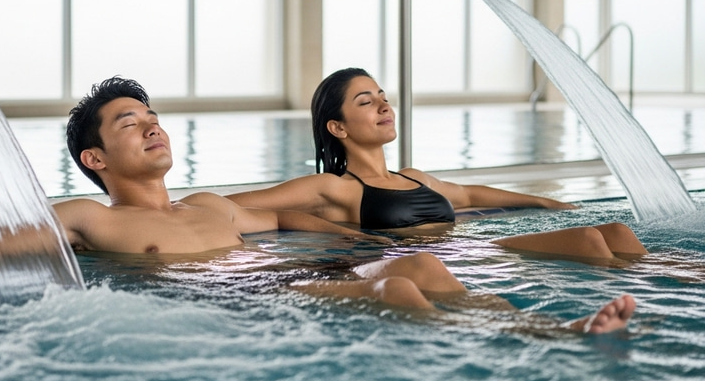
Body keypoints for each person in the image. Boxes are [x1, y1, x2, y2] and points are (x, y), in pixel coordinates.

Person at [0, 77, 635, 334]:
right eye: (128, 123)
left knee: (421, 266)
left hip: (274, 283)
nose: (150, 125)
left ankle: (554, 333)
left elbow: (287, 220)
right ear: (96, 160)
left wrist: (362, 235)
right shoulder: (87, 215)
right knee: (400, 292)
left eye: (151, 115)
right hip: (232, 307)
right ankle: (508, 351)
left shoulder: (209, 204)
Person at [228, 67, 649, 263]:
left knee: (615, 231)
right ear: (337, 126)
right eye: (366, 101)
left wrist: (546, 203)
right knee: (592, 243)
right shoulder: (332, 188)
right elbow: (229, 205)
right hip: (446, 263)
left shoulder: (412, 177)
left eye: (382, 96)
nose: (383, 105)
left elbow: (471, 195)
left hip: (470, 253)